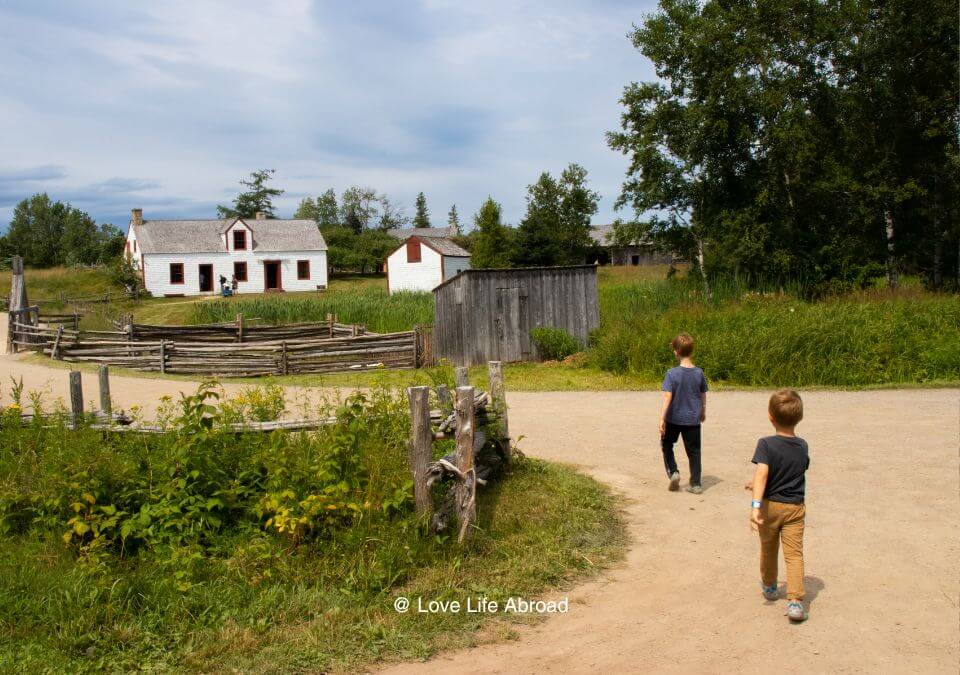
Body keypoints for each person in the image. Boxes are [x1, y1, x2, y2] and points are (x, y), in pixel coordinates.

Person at [745, 389, 810, 622]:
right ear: (799, 417)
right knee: (794, 555)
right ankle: (795, 602)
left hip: (770, 507)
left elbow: (764, 474)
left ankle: (771, 587)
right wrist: (755, 481)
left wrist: (754, 505)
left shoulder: (765, 444)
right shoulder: (802, 446)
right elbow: (790, 471)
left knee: (768, 548)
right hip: (794, 508)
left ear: (770, 416)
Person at [658, 333, 708, 493]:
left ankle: (673, 472)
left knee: (666, 444)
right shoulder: (699, 373)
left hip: (673, 418)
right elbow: (702, 394)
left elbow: (667, 396)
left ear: (675, 352)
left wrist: (662, 418)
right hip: (693, 419)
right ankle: (696, 484)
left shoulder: (672, 374)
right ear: (691, 351)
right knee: (694, 451)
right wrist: (703, 411)